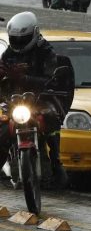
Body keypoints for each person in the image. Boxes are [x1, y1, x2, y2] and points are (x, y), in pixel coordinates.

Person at [0, 12, 70, 188]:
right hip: (16, 101)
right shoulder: (8, 54)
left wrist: (23, 77)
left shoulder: (46, 52)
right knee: (2, 128)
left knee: (51, 120)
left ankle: (56, 161)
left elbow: (51, 79)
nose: (19, 42)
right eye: (15, 38)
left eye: (23, 38)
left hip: (41, 100)